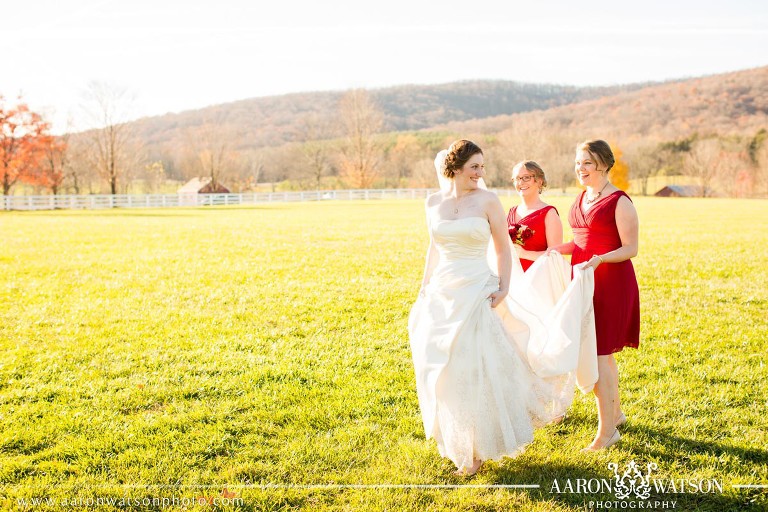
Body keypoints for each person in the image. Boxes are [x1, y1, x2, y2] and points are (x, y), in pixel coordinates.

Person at [408, 140, 591, 476]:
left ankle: (476, 451)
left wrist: (504, 286)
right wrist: (424, 288)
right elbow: (432, 250)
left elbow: (503, 250)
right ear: (455, 168)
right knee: (447, 372)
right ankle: (458, 440)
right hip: (442, 294)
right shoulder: (433, 202)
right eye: (475, 167)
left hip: (477, 290)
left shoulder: (489, 201)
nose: (481, 173)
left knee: (473, 370)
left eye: (482, 166)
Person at [548, 139, 640, 452]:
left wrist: (600, 259)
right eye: (577, 163)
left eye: (586, 163)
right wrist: (555, 251)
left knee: (599, 355)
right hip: (583, 280)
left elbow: (631, 248)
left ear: (602, 164)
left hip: (610, 282)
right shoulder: (582, 196)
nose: (580, 168)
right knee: (597, 352)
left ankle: (607, 433)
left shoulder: (619, 201)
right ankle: (616, 414)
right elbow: (581, 242)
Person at [507, 161, 563, 272]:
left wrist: (524, 254)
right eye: (517, 178)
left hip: (537, 278)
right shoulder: (511, 212)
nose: (521, 182)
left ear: (539, 181)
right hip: (512, 277)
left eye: (526, 177)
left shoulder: (549, 214)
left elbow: (555, 256)